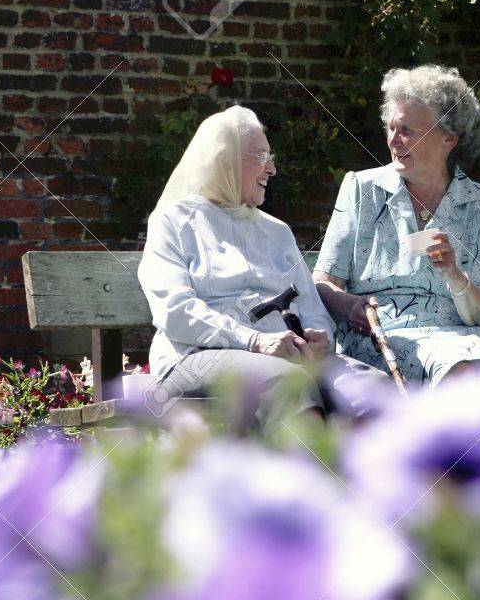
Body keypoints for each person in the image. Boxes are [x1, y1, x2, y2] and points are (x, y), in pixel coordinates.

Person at [137, 105, 387, 429]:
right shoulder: (173, 221)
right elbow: (175, 310)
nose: (272, 169)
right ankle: (304, 464)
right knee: (289, 383)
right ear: (225, 159)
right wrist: (254, 340)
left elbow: (313, 308)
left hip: (285, 357)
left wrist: (319, 339)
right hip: (195, 357)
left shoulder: (277, 231)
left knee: (372, 389)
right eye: (262, 156)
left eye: (271, 157)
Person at [312, 64, 480, 386]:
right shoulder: (362, 190)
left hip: (462, 338)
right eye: (391, 128)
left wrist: (454, 274)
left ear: (449, 138)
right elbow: (323, 281)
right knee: (458, 371)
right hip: (383, 337)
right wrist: (351, 305)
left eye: (406, 130)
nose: (394, 140)